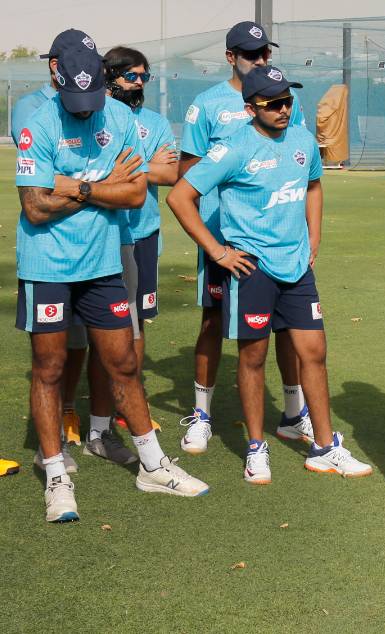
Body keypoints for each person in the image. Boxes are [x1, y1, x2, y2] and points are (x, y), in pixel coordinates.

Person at [15, 43, 209, 523]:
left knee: (123, 362)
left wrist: (74, 185)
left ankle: (153, 466)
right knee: (50, 368)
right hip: (47, 266)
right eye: (76, 103)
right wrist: (104, 186)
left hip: (103, 264)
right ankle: (56, 475)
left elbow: (136, 193)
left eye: (93, 100)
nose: (86, 111)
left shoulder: (119, 118)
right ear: (58, 83)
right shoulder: (39, 124)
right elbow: (35, 207)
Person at [167, 65, 373, 484]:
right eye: (273, 104)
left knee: (314, 352)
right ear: (251, 109)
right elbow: (180, 196)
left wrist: (314, 235)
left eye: (287, 101)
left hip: (296, 266)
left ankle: (325, 447)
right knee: (253, 357)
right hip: (252, 268)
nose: (283, 110)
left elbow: (313, 185)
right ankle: (256, 447)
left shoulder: (302, 140)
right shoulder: (232, 149)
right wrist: (218, 252)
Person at [178, 21, 312, 455]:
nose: (260, 59)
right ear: (230, 57)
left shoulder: (287, 99)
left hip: (277, 239)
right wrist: (215, 245)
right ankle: (202, 414)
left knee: (288, 327)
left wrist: (303, 234)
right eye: (251, 53)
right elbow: (188, 173)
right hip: (223, 237)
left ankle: (293, 413)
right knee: (213, 321)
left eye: (265, 52)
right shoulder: (207, 104)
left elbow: (298, 158)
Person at [79, 45, 178, 465]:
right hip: (104, 236)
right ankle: (96, 421)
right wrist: (140, 166)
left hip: (144, 236)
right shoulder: (96, 116)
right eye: (131, 76)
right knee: (102, 334)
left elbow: (171, 173)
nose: (138, 83)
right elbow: (96, 174)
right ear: (109, 75)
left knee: (137, 331)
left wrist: (130, 169)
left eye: (144, 77)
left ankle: (128, 410)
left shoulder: (155, 122)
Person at [13, 29, 97, 457]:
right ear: (54, 66)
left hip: (95, 249)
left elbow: (126, 181)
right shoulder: (31, 110)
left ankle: (68, 409)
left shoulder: (100, 106)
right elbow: (41, 186)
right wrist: (96, 187)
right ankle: (50, 448)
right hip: (49, 251)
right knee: (50, 354)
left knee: (82, 341)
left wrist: (80, 184)